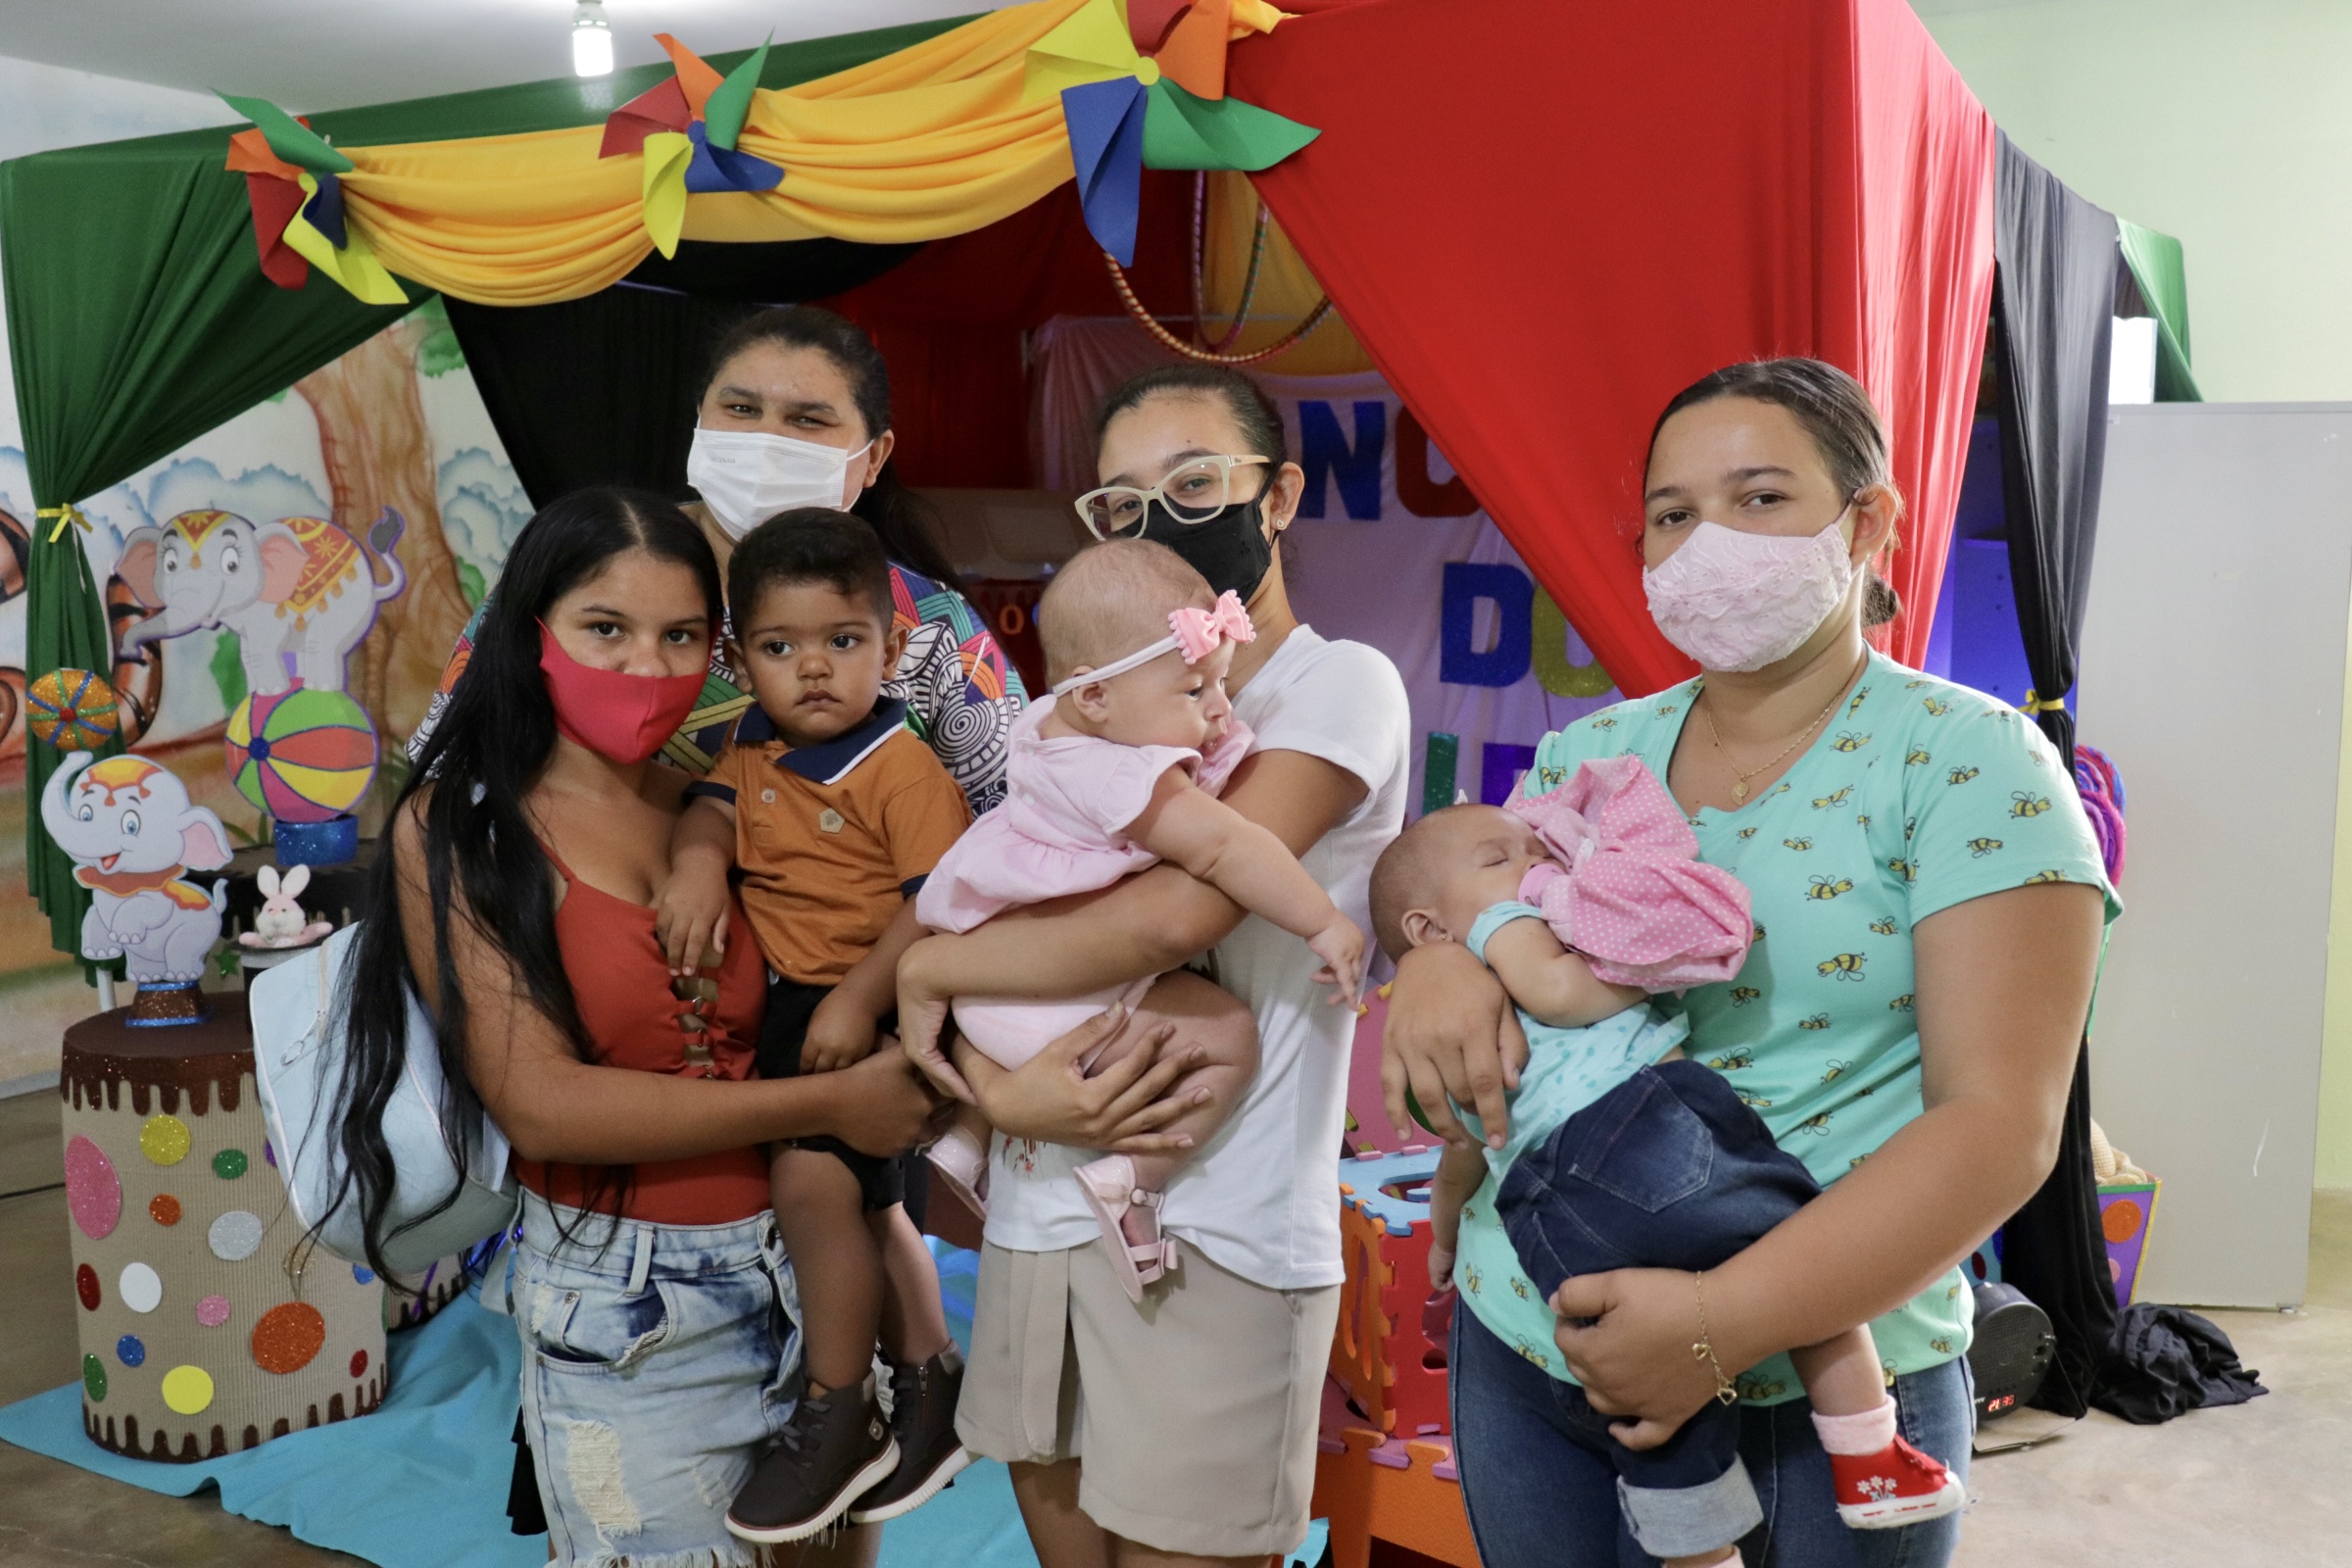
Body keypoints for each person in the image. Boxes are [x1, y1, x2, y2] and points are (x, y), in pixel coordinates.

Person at [1382, 358, 2115, 1568]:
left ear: (1866, 523)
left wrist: (1716, 1321)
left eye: (1761, 497)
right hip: (1532, 1343)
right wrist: (1438, 968)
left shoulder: (1967, 762)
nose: (1708, 540)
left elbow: (1999, 1128)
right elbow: (1480, 965)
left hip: (1816, 1384)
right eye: (1673, 513)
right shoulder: (1592, 755)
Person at [327, 488, 956, 1566]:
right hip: (631, 1301)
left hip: (813, 1271)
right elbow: (541, 1104)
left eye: (679, 636)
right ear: (533, 632)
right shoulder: (465, 825)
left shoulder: (724, 797)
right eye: (606, 628)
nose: (646, 665)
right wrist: (832, 1101)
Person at [893, 365, 1411, 1566]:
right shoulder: (1088, 706)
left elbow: (1172, 915)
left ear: (1278, 495)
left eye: (1194, 481)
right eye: (1123, 503)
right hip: (1041, 1214)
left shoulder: (1335, 686)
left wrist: (931, 972)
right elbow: (1020, 895)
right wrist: (997, 1084)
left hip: (1220, 1233)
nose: (1161, 518)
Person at [1372, 771, 1962, 1568]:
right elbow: (1560, 992)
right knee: (1803, 1253)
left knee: (1641, 1392)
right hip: (1640, 1134)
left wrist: (1442, 1239)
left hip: (1547, 1214)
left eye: (1536, 848)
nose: (1538, 860)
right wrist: (1637, 962)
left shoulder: (1467, 1020)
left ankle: (1696, 1552)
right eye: (1498, 857)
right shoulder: (1514, 928)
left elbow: (1461, 1157)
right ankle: (1867, 1456)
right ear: (1428, 926)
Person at [908, 538, 1364, 1302]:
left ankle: (966, 1139)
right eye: (1194, 690)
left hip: (984, 987)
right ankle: (1134, 1183)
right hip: (1049, 1007)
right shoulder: (1130, 774)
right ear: (1094, 696)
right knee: (1228, 1038)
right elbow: (1226, 849)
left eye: (1220, 684)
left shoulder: (1049, 728)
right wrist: (1322, 921)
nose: (1220, 709)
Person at [658, 511, 975, 1542]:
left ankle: (841, 1411)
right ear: (738, 660)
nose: (814, 669)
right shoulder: (752, 742)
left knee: (810, 1188)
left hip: (873, 1001)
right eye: (779, 647)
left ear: (891, 643)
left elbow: (941, 904)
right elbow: (712, 807)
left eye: (842, 640)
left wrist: (858, 998)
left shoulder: (901, 767)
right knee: (873, 1209)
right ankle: (929, 1386)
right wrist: (698, 861)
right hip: (798, 1002)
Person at [410, 304, 1026, 817]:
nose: (766, 441)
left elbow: (1024, 820)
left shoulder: (934, 626)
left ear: (874, 457)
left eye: (808, 420)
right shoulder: (576, 573)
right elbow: (443, 779)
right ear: (699, 420)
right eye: (741, 410)